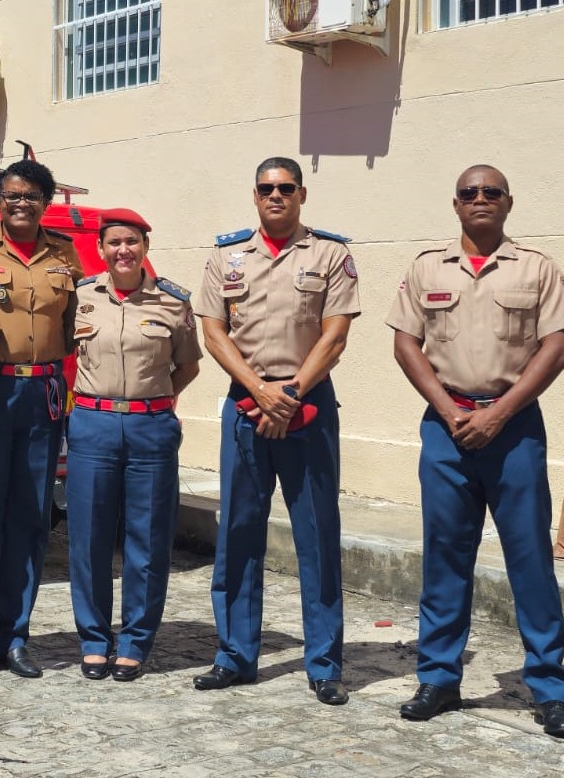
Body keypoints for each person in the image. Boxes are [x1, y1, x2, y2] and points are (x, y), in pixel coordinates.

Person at [385, 165, 564, 739]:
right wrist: (450, 411)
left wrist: (497, 413)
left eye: (490, 192)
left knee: (529, 559)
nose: (480, 200)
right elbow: (405, 342)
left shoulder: (537, 267)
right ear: (455, 204)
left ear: (507, 202)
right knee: (445, 556)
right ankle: (440, 678)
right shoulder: (427, 267)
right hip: (446, 429)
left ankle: (548, 687)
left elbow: (559, 346)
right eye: (469, 193)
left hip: (514, 427)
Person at [191, 156, 358, 705]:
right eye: (267, 188)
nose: (276, 196)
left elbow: (334, 336)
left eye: (286, 188)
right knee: (238, 533)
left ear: (302, 194)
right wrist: (258, 390)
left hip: (306, 405)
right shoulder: (226, 256)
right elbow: (214, 332)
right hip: (246, 403)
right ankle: (235, 656)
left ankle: (325, 664)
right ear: (255, 194)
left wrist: (287, 394)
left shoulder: (331, 255)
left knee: (316, 535)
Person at [0, 160, 83, 683]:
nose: (20, 203)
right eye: (10, 195)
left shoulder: (64, 254)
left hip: (44, 391)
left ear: (46, 201)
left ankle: (15, 636)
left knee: (29, 520)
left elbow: (76, 328)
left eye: (31, 196)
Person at [66, 209, 200, 682]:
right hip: (93, 426)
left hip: (150, 428)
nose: (123, 251)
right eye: (114, 243)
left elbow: (188, 364)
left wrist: (155, 400)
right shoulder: (81, 297)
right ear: (101, 249)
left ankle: (136, 641)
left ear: (145, 247)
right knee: (88, 538)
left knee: (146, 539)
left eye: (132, 242)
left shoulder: (171, 301)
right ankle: (94, 639)